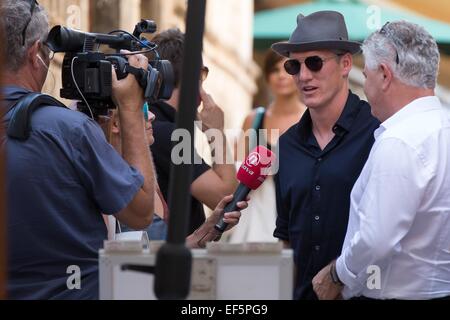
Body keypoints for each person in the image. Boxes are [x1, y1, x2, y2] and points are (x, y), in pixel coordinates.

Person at [2, 1, 156, 299]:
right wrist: (130, 108)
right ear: (35, 55)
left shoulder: (72, 130)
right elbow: (140, 212)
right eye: (48, 53)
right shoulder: (68, 130)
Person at [312, 21, 450, 301]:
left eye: (367, 75)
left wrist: (336, 275)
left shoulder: (400, 140)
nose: (366, 86)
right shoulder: (442, 127)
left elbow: (377, 238)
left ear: (385, 75)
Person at [270, 11, 380, 299]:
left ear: (345, 64)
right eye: (294, 65)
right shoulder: (285, 147)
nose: (304, 76)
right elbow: (287, 240)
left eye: (315, 63)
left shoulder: (379, 133)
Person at [108, 107, 248, 248]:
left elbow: (161, 252)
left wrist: (208, 229)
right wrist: (216, 131)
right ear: (114, 124)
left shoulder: (144, 162)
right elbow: (224, 195)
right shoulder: (170, 135)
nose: (151, 116)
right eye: (142, 107)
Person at [148, 28, 238, 237]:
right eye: (201, 76)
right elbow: (226, 201)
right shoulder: (169, 134)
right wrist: (216, 132)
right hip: (174, 261)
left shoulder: (148, 124)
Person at [230, 50, 305, 243]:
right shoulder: (254, 119)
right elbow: (237, 167)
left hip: (297, 215)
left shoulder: (310, 119)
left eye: (287, 69)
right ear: (266, 76)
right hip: (256, 216)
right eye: (274, 70)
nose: (280, 76)